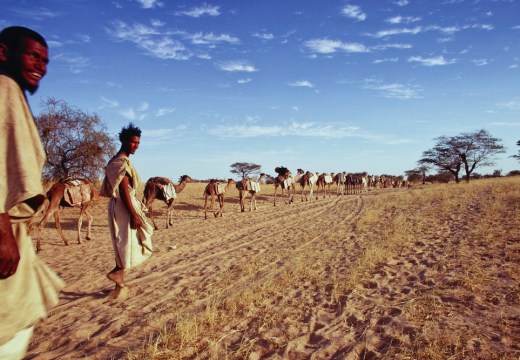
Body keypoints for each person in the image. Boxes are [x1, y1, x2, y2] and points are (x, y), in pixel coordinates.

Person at [0, 26, 65, 359]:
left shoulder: (13, 93)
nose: (41, 65)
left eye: (45, 60)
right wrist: (2, 231)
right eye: (32, 55)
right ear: (3, 52)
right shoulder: (5, 89)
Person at [100, 123, 153, 300]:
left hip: (123, 204)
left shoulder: (120, 161)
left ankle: (119, 282)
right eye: (132, 142)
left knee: (125, 242)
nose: (135, 146)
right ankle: (118, 274)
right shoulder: (120, 163)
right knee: (128, 241)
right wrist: (134, 214)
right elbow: (123, 190)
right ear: (123, 140)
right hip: (124, 206)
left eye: (137, 143)